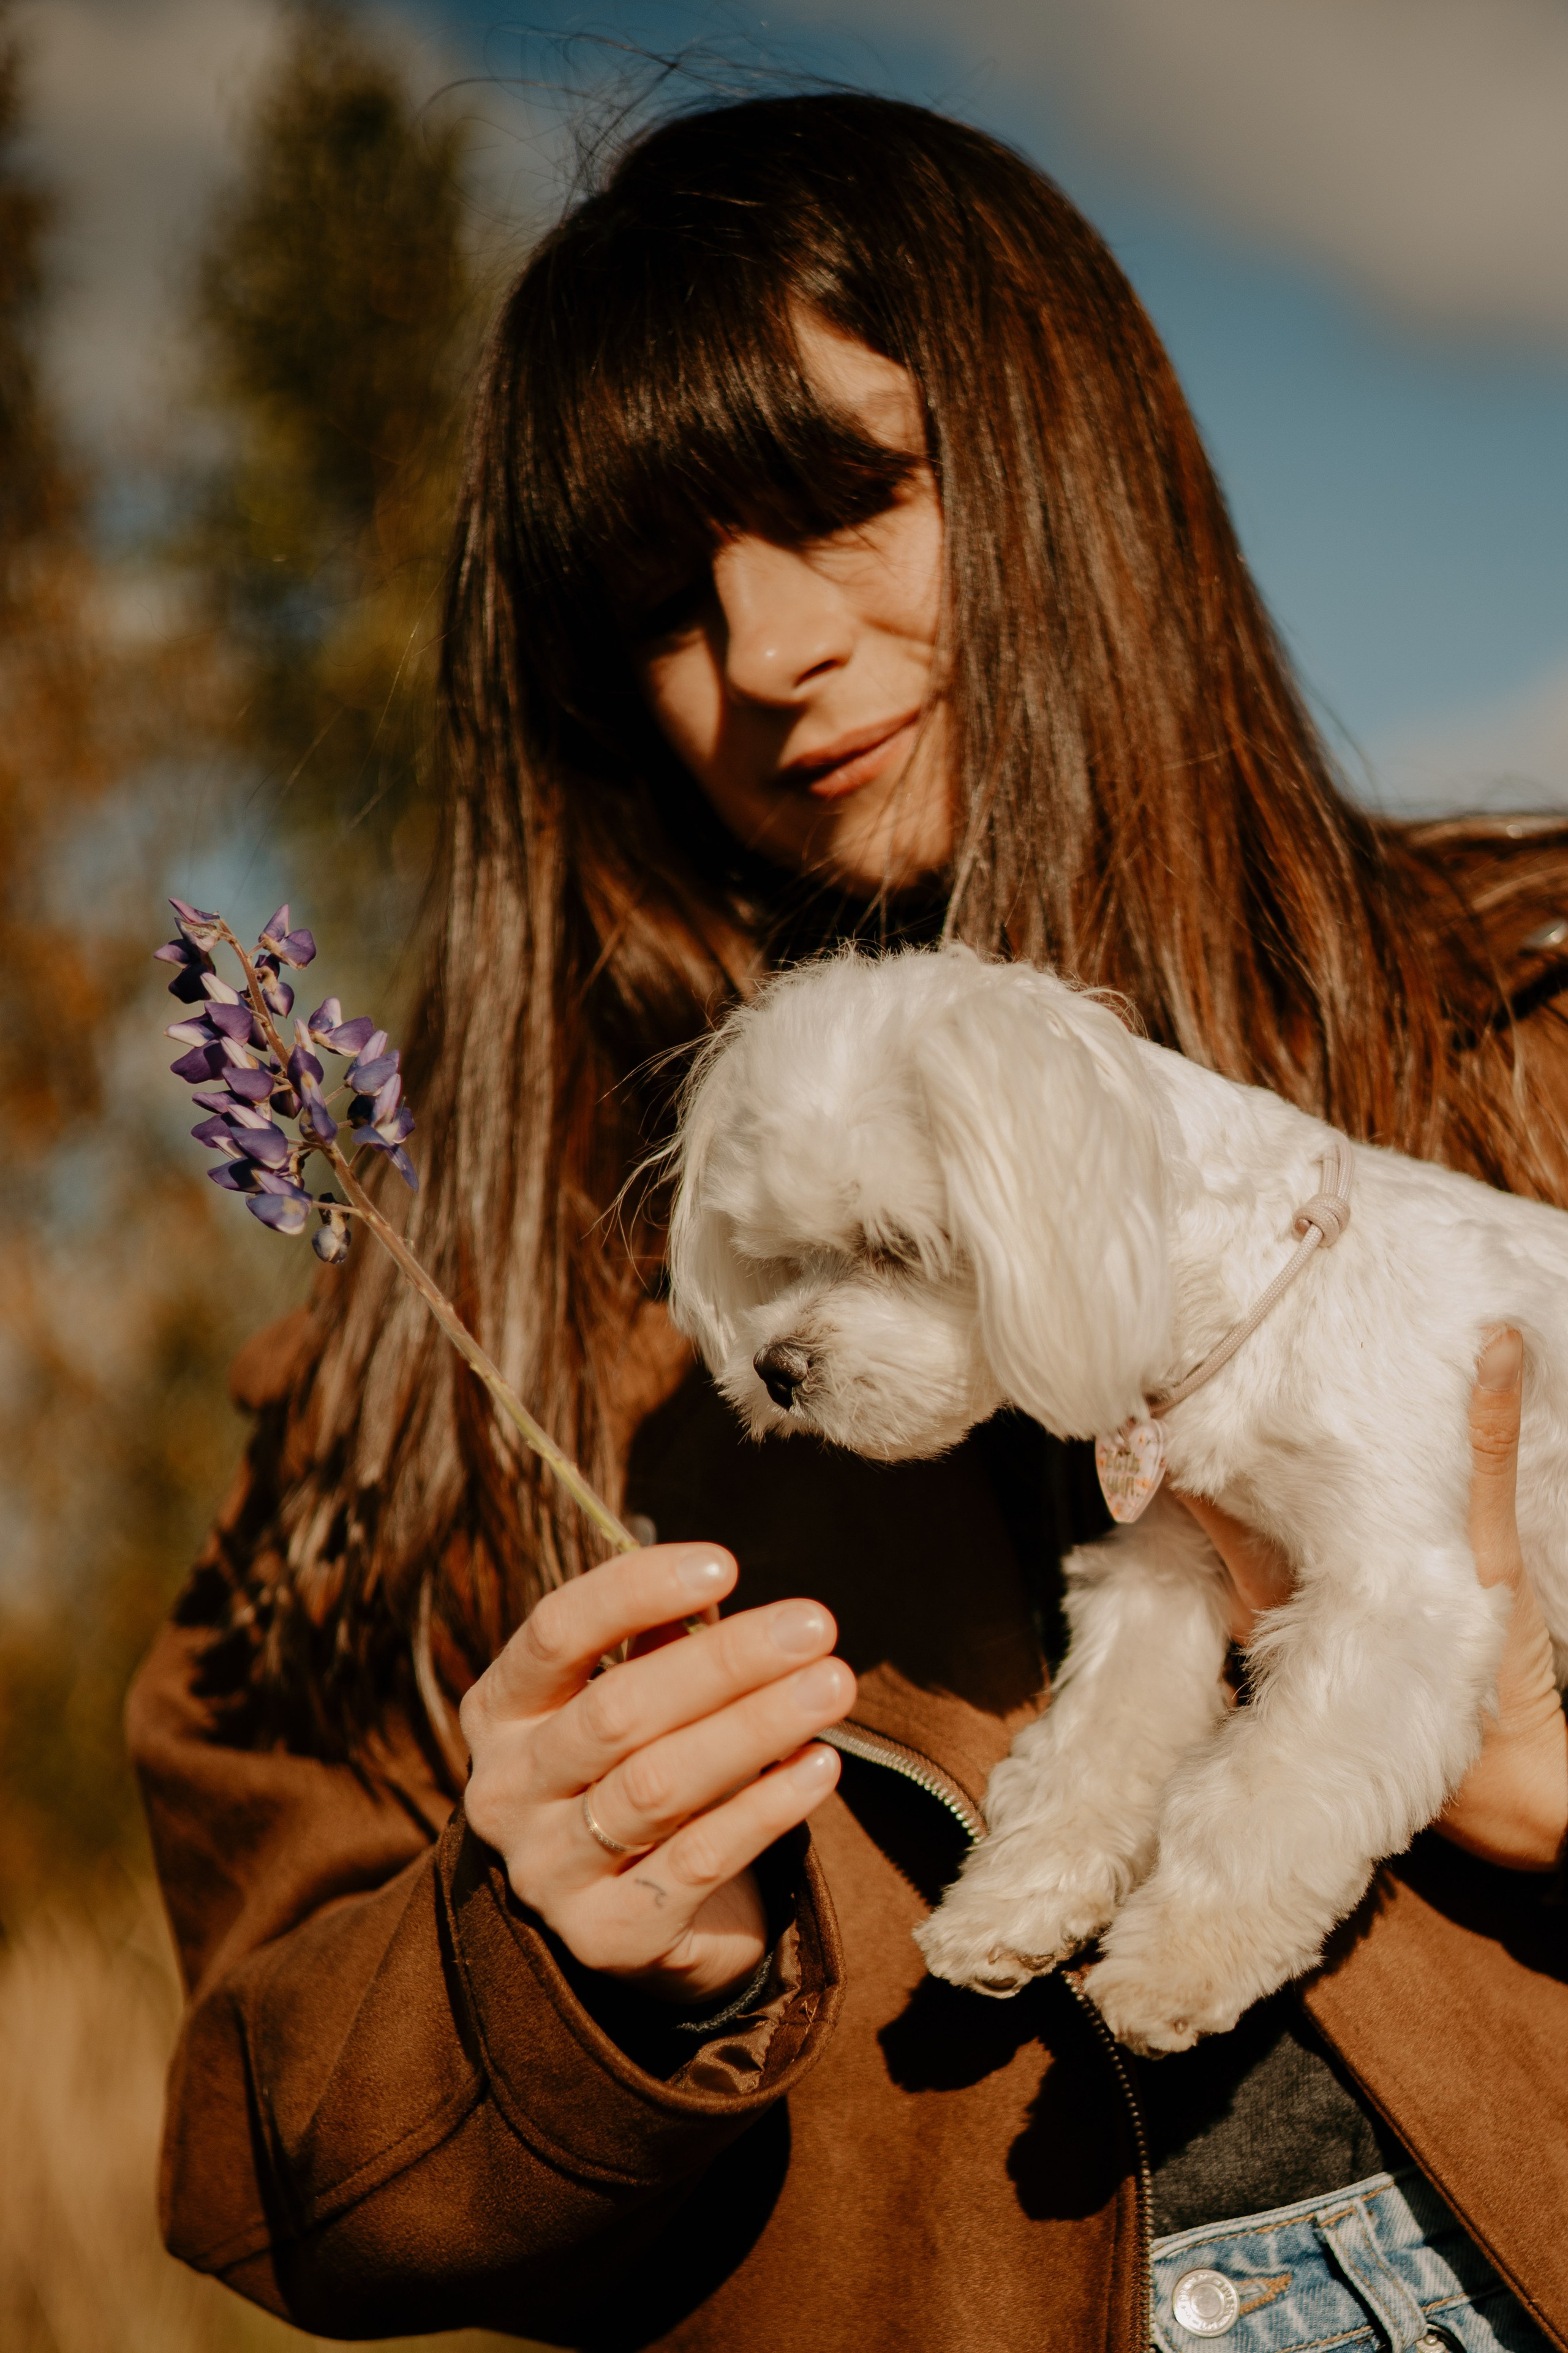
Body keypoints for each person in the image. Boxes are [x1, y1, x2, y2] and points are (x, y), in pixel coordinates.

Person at [130, 94, 1568, 2352]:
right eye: (657, 605)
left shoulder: (1534, 1039)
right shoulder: (451, 1343)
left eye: (844, 496)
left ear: (1070, 445)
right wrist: (545, 1969)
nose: (771, 646)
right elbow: (249, 2155)